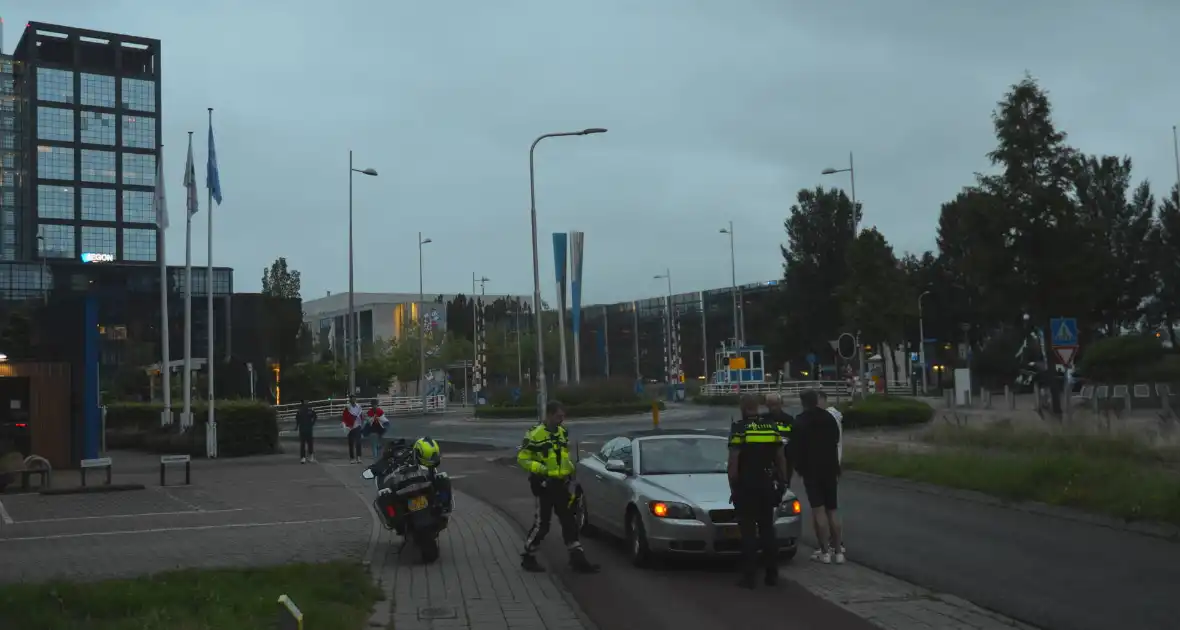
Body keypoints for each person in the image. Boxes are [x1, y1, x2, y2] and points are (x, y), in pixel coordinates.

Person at [517, 400, 600, 574]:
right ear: (549, 415)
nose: (561, 420)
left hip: (561, 484)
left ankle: (577, 559)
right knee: (542, 524)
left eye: (563, 416)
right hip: (544, 485)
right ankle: (528, 556)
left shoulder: (562, 433)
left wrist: (571, 470)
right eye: (558, 416)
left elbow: (563, 456)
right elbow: (522, 459)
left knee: (569, 521)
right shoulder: (535, 434)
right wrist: (541, 469)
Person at [728, 393, 789, 589]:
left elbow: (733, 463)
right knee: (767, 529)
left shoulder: (739, 428)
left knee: (747, 531)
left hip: (747, 485)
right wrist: (783, 481)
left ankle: (749, 577)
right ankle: (772, 575)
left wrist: (733, 488)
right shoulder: (771, 426)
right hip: (766, 483)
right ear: (758, 407)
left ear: (742, 408)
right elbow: (780, 458)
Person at [794, 389, 844, 565]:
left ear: (803, 402)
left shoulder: (800, 421)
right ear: (816, 400)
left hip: (811, 471)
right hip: (830, 469)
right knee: (833, 510)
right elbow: (836, 439)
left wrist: (799, 468)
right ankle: (838, 551)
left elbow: (796, 448)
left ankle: (824, 551)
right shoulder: (829, 418)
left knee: (819, 510)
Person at [762, 392, 795, 487]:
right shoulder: (762, 419)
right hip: (767, 460)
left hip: (787, 458)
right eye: (770, 404)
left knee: (784, 485)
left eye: (775, 404)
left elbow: (794, 438)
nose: (773, 407)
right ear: (766, 405)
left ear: (781, 404)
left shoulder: (789, 419)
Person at [341, 395, 364, 464]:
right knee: (351, 443)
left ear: (355, 400)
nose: (353, 400)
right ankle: (352, 458)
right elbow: (344, 416)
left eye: (354, 399)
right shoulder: (347, 407)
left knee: (358, 442)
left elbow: (361, 416)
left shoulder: (359, 407)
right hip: (350, 427)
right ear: (350, 400)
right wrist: (345, 424)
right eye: (352, 399)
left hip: (357, 426)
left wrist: (361, 422)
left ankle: (359, 457)